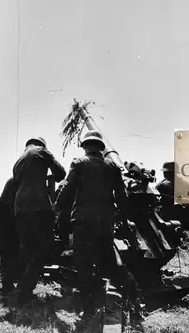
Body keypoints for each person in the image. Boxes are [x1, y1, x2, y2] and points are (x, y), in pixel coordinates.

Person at [55, 129, 141, 328]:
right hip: (105, 223)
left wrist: (57, 208)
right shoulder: (111, 166)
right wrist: (122, 217)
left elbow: (67, 190)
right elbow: (121, 195)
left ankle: (89, 309)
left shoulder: (78, 163)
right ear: (101, 148)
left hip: (83, 223)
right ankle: (134, 299)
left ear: (85, 146)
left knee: (84, 265)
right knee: (110, 262)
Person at [12, 136, 66, 305]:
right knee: (43, 249)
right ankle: (25, 289)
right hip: (38, 206)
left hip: (20, 207)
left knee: (27, 248)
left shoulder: (19, 161)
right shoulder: (41, 151)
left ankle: (22, 288)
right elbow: (60, 174)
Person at [0, 177, 21, 296]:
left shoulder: (22, 181)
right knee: (7, 251)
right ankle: (7, 285)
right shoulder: (16, 181)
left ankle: (12, 282)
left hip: (12, 217)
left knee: (14, 251)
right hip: (5, 217)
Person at [156, 161, 189, 231]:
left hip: (172, 217)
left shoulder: (163, 185)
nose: (164, 173)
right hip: (179, 218)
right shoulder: (185, 184)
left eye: (166, 172)